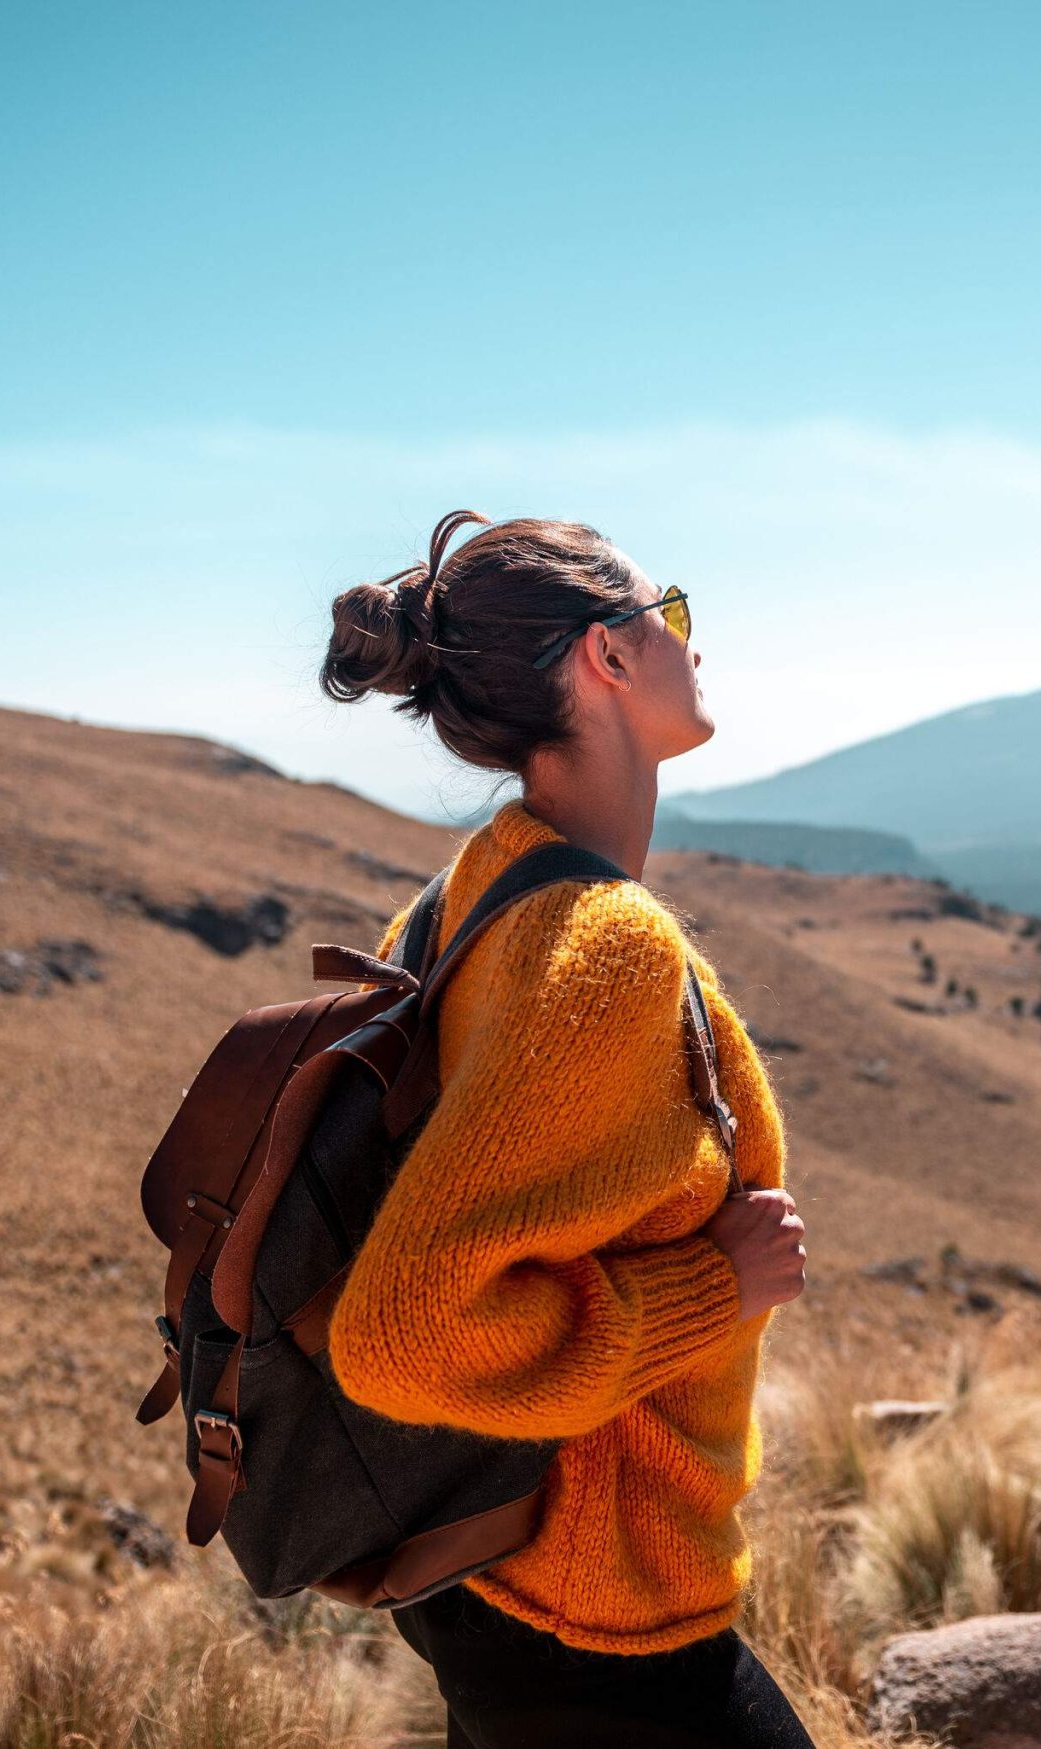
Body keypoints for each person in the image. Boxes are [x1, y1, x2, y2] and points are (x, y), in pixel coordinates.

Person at [316, 511, 816, 1748]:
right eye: (673, 616)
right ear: (605, 656)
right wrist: (715, 1286)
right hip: (598, 1616)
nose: (693, 646)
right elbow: (403, 1332)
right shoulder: (599, 943)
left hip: (491, 1569)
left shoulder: (470, 892)